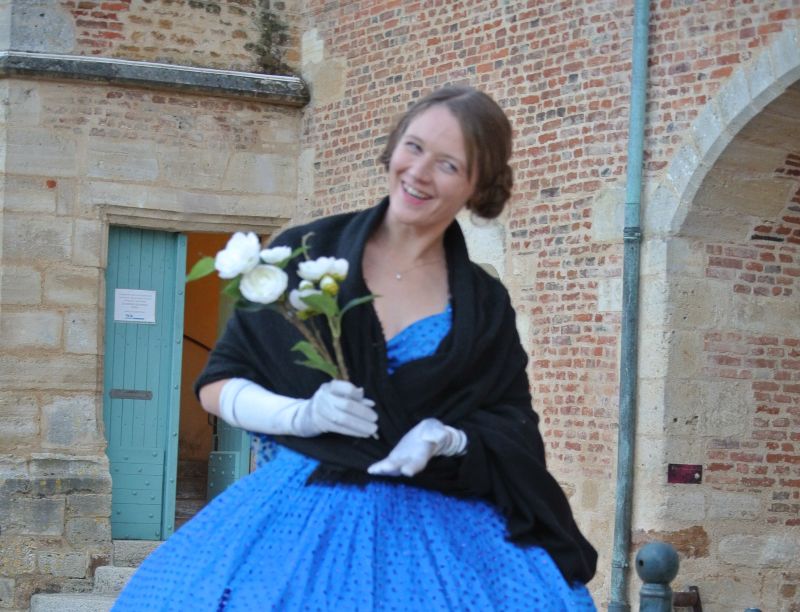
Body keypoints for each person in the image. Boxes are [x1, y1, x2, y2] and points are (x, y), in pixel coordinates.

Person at [113, 86, 598, 611]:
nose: (419, 172)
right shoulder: (301, 255)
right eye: (413, 147)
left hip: (444, 530)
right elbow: (217, 383)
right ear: (393, 148)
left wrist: (452, 439)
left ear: (478, 186)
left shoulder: (483, 303)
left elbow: (512, 422)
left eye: (448, 165)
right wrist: (300, 415)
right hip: (296, 520)